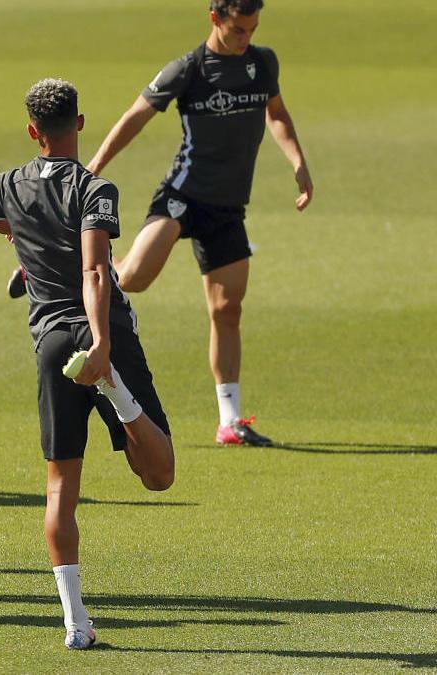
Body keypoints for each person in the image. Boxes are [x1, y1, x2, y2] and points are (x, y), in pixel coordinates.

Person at [0, 78, 175, 649]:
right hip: (100, 334)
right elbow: (95, 272)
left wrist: (9, 227)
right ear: (80, 125)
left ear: (32, 131)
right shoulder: (95, 189)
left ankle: (75, 625)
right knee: (159, 474)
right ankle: (117, 393)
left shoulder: (10, 185)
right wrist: (102, 348)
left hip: (49, 345)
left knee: (61, 486)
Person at [84, 0, 312, 446]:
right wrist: (92, 169)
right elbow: (135, 118)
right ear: (215, 19)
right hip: (183, 196)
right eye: (238, 30)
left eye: (252, 29)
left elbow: (278, 114)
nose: (246, 38)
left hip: (228, 209)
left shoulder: (262, 63)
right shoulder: (188, 70)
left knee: (227, 311)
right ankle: (53, 265)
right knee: (131, 278)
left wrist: (299, 164)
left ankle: (229, 421)